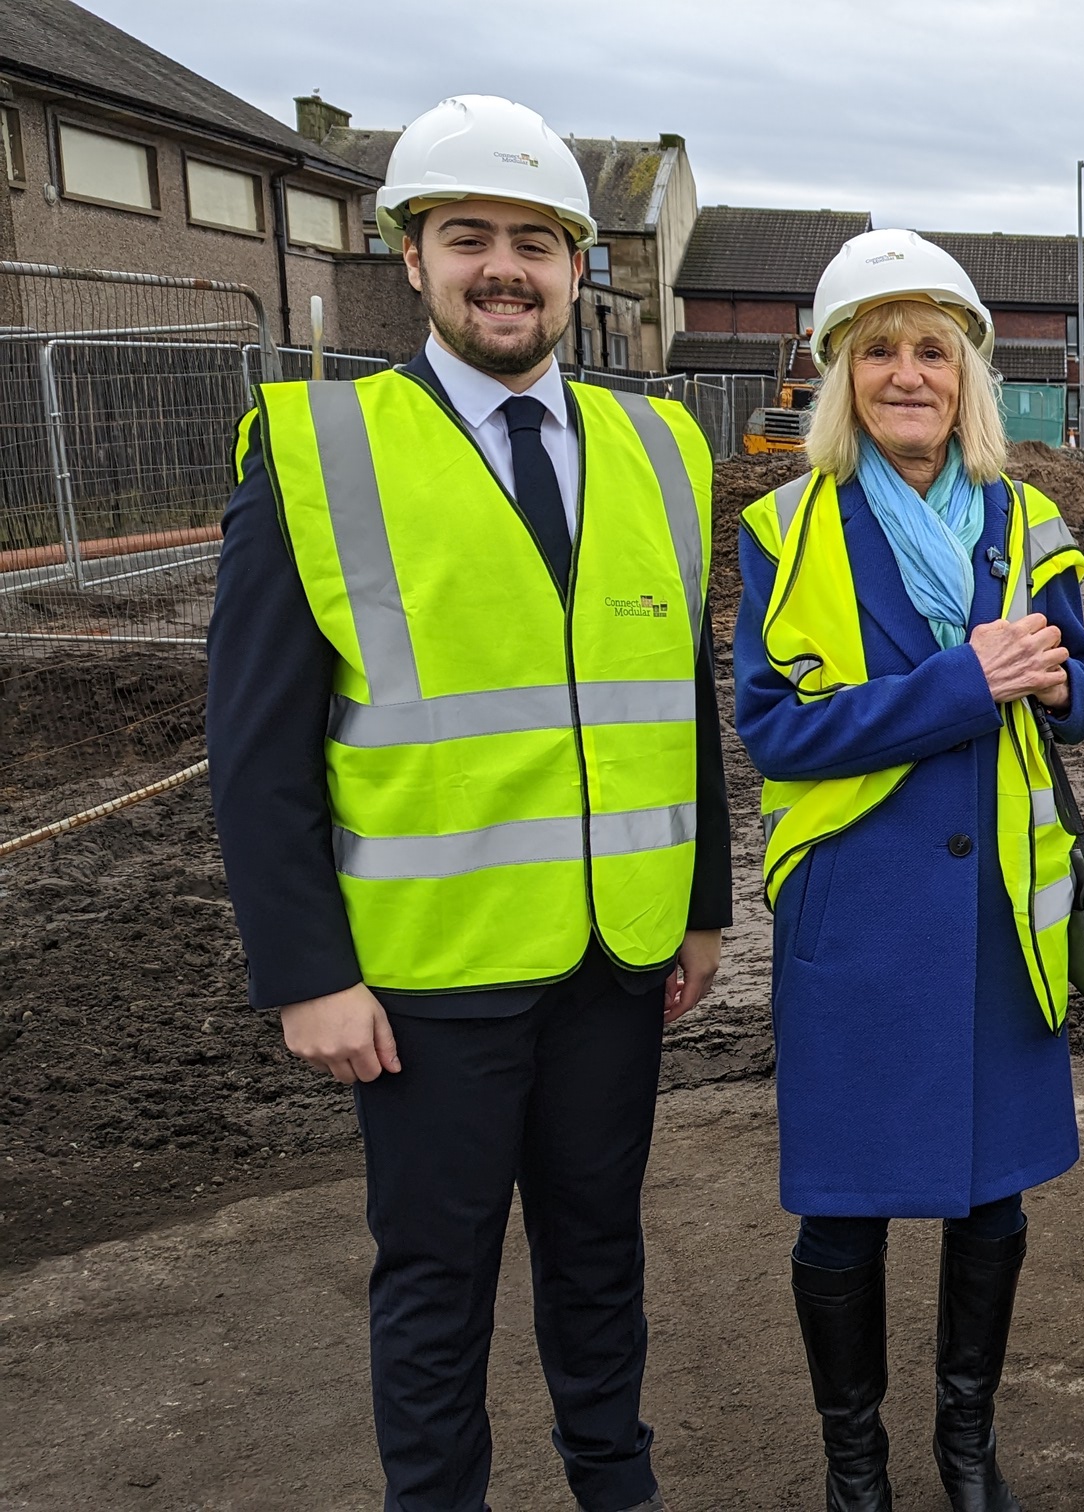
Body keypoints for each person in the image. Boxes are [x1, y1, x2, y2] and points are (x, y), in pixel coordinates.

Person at [205, 95, 721, 1512]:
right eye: (469, 237)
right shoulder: (319, 450)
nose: (506, 268)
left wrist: (702, 912)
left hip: (617, 963)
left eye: (536, 243)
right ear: (414, 258)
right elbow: (254, 751)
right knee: (437, 1283)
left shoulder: (664, 452)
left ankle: (618, 1489)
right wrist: (306, 973)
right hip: (427, 978)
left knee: (600, 1257)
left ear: (576, 269)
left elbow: (682, 700)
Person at [731, 229, 1084, 1512]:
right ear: (841, 374)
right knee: (842, 1210)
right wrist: (962, 683)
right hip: (858, 914)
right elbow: (772, 726)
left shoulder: (1026, 518)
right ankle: (858, 1468)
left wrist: (1060, 683)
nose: (907, 374)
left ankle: (965, 1447)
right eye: (879, 351)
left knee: (988, 1201)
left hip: (1000, 909)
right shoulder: (784, 527)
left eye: (930, 352)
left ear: (967, 377)